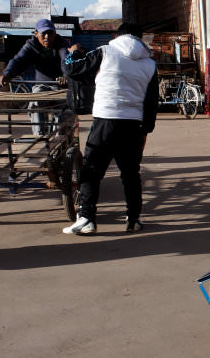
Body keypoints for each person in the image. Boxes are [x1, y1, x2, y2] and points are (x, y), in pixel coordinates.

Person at [61, 23, 159, 235]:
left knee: (92, 171)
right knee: (131, 174)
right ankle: (133, 219)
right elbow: (152, 102)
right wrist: (145, 130)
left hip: (106, 120)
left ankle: (87, 218)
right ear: (140, 37)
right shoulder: (150, 64)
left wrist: (73, 52)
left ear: (116, 35)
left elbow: (72, 70)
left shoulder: (105, 51)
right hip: (133, 124)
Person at [0, 19, 82, 134]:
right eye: (43, 34)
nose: (47, 37)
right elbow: (19, 60)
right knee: (35, 103)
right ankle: (39, 135)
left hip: (61, 86)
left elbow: (65, 59)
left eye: (50, 33)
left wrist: (65, 75)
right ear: (36, 34)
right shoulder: (31, 45)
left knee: (64, 112)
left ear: (55, 33)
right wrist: (7, 74)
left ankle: (61, 138)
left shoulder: (61, 43)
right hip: (42, 85)